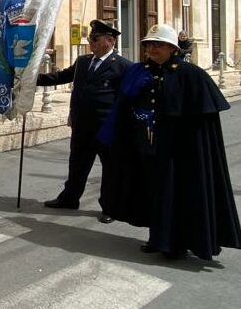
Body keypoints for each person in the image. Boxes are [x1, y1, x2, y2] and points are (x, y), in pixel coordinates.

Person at [99, 24, 241, 260]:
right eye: (149, 45)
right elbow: (125, 106)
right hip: (145, 146)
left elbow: (200, 122)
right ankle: (158, 238)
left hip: (178, 150)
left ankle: (177, 243)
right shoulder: (138, 71)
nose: (152, 49)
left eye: (158, 44)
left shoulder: (190, 74)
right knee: (153, 194)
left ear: (172, 48)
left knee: (176, 195)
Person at [35, 19, 132, 222]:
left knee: (111, 169)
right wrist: (34, 78)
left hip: (106, 128)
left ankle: (109, 207)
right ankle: (70, 198)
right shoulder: (83, 62)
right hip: (82, 125)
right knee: (77, 164)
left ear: (110, 41)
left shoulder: (123, 66)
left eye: (95, 38)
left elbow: (128, 98)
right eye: (90, 38)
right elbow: (61, 77)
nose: (91, 42)